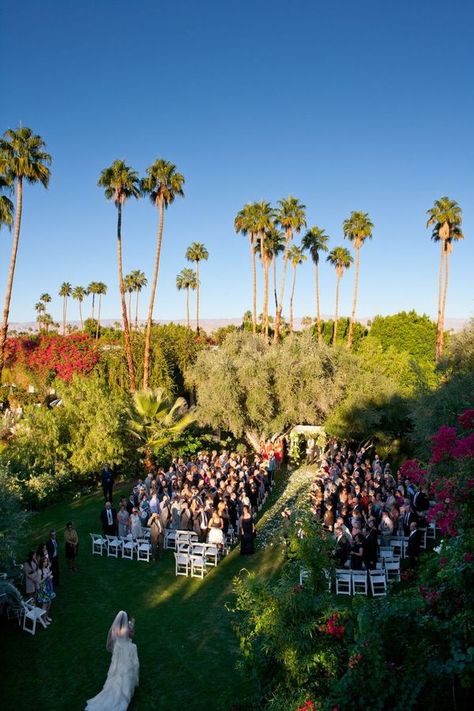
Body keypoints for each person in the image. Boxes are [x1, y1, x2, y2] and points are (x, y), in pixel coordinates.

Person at [85, 610, 139, 711]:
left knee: (117, 671)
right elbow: (132, 636)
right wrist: (133, 625)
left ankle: (114, 690)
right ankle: (125, 692)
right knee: (126, 670)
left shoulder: (115, 628)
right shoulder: (129, 627)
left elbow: (111, 640)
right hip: (126, 650)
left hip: (118, 651)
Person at [36, 556, 55, 624]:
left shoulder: (46, 568)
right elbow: (39, 582)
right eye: (45, 561)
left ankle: (46, 617)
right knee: (45, 604)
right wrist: (46, 577)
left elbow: (48, 576)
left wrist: (50, 577)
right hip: (43, 589)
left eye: (47, 561)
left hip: (48, 588)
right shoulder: (39, 571)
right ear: (42, 562)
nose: (46, 562)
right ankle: (44, 620)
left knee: (49, 603)